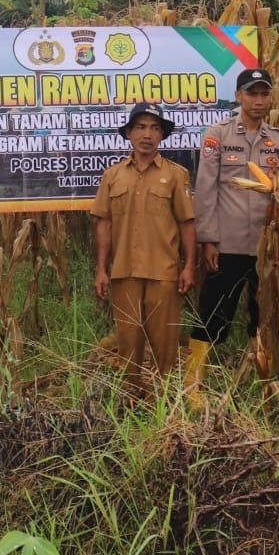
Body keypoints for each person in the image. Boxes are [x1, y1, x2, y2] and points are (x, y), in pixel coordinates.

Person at [186, 69, 279, 402]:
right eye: (252, 93)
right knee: (216, 309)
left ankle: (264, 383)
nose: (259, 100)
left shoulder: (278, 139)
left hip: (267, 243)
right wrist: (208, 239)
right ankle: (193, 383)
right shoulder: (218, 135)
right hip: (229, 241)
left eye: (264, 94)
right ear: (239, 96)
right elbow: (205, 189)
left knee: (263, 311)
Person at [90, 102, 196, 389]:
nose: (147, 134)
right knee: (128, 343)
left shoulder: (176, 175)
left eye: (154, 128)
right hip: (124, 272)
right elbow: (104, 223)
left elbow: (187, 223)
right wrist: (102, 269)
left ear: (162, 135)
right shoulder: (112, 176)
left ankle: (166, 403)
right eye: (140, 127)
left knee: (165, 344)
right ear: (129, 133)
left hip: (164, 272)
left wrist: (188, 266)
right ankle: (131, 399)